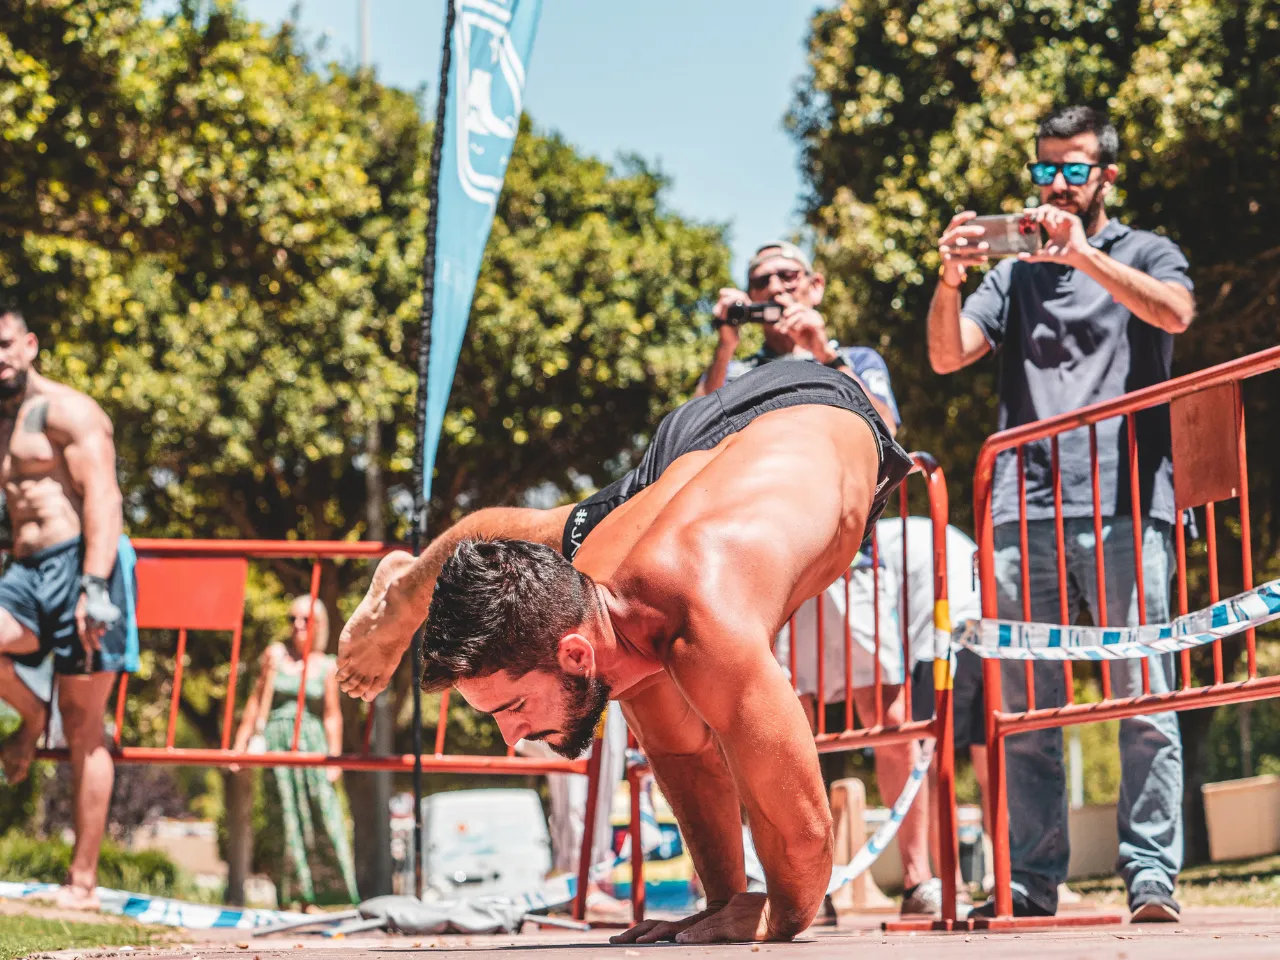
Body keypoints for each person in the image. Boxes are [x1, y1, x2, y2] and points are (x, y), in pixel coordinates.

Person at [337, 361, 914, 943]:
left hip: (819, 406)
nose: (511, 741)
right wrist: (724, 905)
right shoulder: (589, 603)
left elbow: (807, 839)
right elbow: (686, 761)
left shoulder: (706, 620)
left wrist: (779, 914)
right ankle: (407, 590)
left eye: (511, 708)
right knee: (538, 540)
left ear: (576, 656)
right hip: (693, 445)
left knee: (606, 571)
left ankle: (410, 590)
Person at [928, 105, 1194, 923]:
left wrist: (1085, 257)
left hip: (1125, 505)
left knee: (1142, 696)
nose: (1056, 185)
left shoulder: (1145, 251)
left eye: (1073, 169)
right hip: (1020, 512)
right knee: (1027, 709)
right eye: (1044, 170)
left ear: (1106, 175)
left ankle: (1151, 876)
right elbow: (946, 355)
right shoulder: (1014, 277)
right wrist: (949, 277)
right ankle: (1030, 882)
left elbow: (1176, 313)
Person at [0, 305, 137, 910]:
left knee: (85, 726)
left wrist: (96, 585)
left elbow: (103, 496)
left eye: (4, 345)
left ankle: (82, 882)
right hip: (23, 572)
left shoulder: (67, 410)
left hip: (81, 562)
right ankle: (31, 719)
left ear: (28, 344)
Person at [779, 517, 983, 914]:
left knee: (893, 723)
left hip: (853, 558)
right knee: (785, 722)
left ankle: (918, 879)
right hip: (780, 559)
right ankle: (798, 883)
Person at [233, 596, 358, 906]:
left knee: (321, 820)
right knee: (284, 824)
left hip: (312, 747)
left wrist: (335, 759)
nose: (297, 626)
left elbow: (332, 715)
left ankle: (323, 897)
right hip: (277, 746)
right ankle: (289, 897)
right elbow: (254, 701)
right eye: (292, 619)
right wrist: (240, 745)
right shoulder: (275, 656)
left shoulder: (327, 665)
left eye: (305, 619)